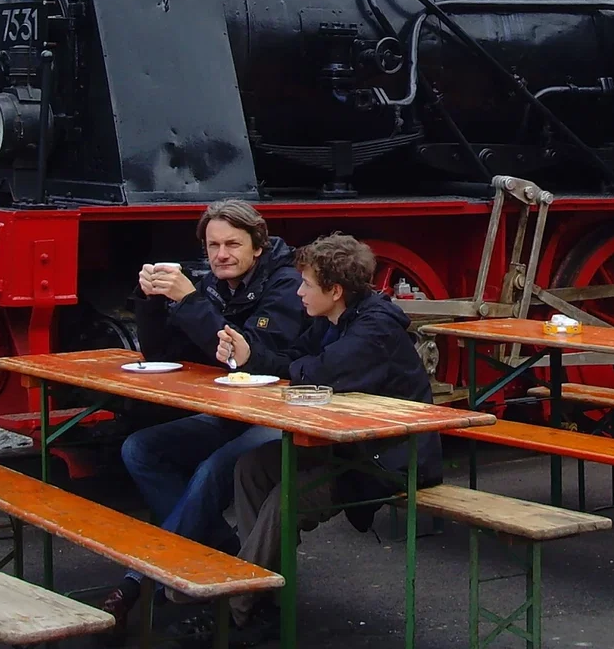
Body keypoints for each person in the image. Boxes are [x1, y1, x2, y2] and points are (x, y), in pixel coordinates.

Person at [178, 233, 441, 646]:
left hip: (387, 459)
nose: (299, 292)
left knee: (287, 499)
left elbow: (317, 372)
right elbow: (292, 364)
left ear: (335, 291)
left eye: (307, 285)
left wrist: (285, 364)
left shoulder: (375, 328)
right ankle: (262, 597)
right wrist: (249, 354)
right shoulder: (330, 320)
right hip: (344, 447)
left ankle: (235, 605)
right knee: (250, 467)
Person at [99, 200, 306, 640]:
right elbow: (162, 355)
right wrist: (151, 300)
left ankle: (140, 579)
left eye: (233, 244)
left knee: (214, 470)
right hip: (230, 413)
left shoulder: (287, 283)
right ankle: (227, 555)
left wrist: (190, 300)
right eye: (213, 245)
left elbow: (248, 357)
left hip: (278, 416)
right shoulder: (214, 283)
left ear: (259, 245)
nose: (221, 254)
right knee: (141, 448)